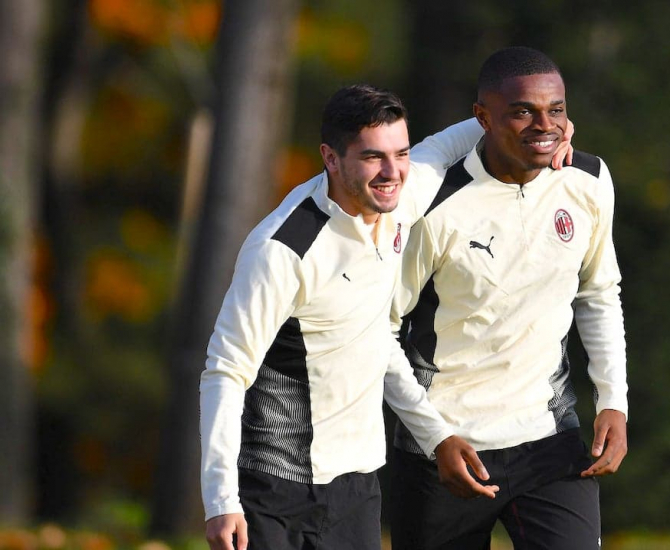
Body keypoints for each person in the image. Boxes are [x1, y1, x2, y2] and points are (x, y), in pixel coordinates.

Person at [200, 84, 573, 550]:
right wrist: (221, 500)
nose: (392, 171)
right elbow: (225, 372)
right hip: (273, 489)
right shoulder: (282, 251)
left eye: (401, 153)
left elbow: (471, 131)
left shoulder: (402, 194)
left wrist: (546, 131)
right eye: (372, 157)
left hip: (357, 488)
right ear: (330, 158)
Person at [385, 47, 628, 549]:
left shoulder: (589, 180)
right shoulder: (432, 204)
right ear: (482, 118)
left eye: (556, 110)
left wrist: (613, 401)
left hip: (548, 439)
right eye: (523, 112)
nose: (545, 126)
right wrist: (433, 436)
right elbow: (380, 331)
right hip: (446, 450)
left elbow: (600, 292)